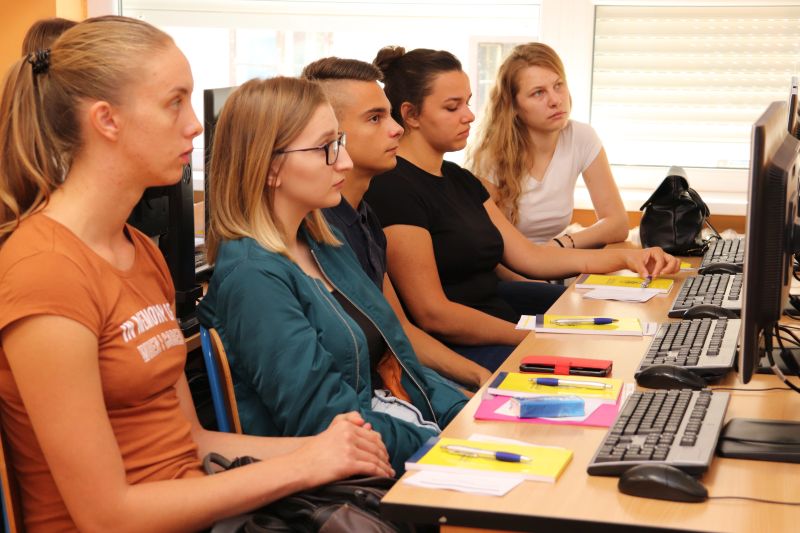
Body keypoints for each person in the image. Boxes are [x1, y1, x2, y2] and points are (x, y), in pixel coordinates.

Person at [0, 17, 392, 533]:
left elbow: (193, 442)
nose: (195, 123)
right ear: (107, 120)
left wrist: (329, 448)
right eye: (173, 102)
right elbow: (106, 516)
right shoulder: (45, 272)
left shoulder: (138, 249)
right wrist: (304, 464)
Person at [196, 75, 467, 475]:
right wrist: (442, 442)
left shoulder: (325, 241)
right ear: (270, 168)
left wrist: (466, 415)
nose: (344, 161)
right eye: (326, 148)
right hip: (354, 482)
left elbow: (402, 367)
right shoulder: (253, 279)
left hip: (400, 444)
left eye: (338, 143)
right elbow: (324, 425)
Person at [365, 46, 680, 372]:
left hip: (498, 319)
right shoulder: (393, 187)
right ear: (412, 115)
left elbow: (532, 257)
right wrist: (531, 335)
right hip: (460, 344)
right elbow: (435, 315)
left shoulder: (458, 178)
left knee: (623, 339)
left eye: (468, 103)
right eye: (452, 107)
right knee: (604, 363)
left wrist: (628, 257)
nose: (469, 115)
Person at [301, 56, 492, 390]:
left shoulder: (363, 216)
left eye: (388, 114)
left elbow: (397, 328)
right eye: (375, 118)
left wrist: (478, 378)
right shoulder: (318, 233)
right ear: (330, 136)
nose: (397, 129)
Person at [468, 42, 629, 248]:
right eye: (538, 92)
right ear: (513, 106)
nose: (555, 100)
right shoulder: (491, 155)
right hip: (507, 270)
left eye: (558, 85)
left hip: (554, 263)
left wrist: (561, 244)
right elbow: (487, 246)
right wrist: (538, 273)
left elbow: (618, 224)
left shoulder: (581, 137)